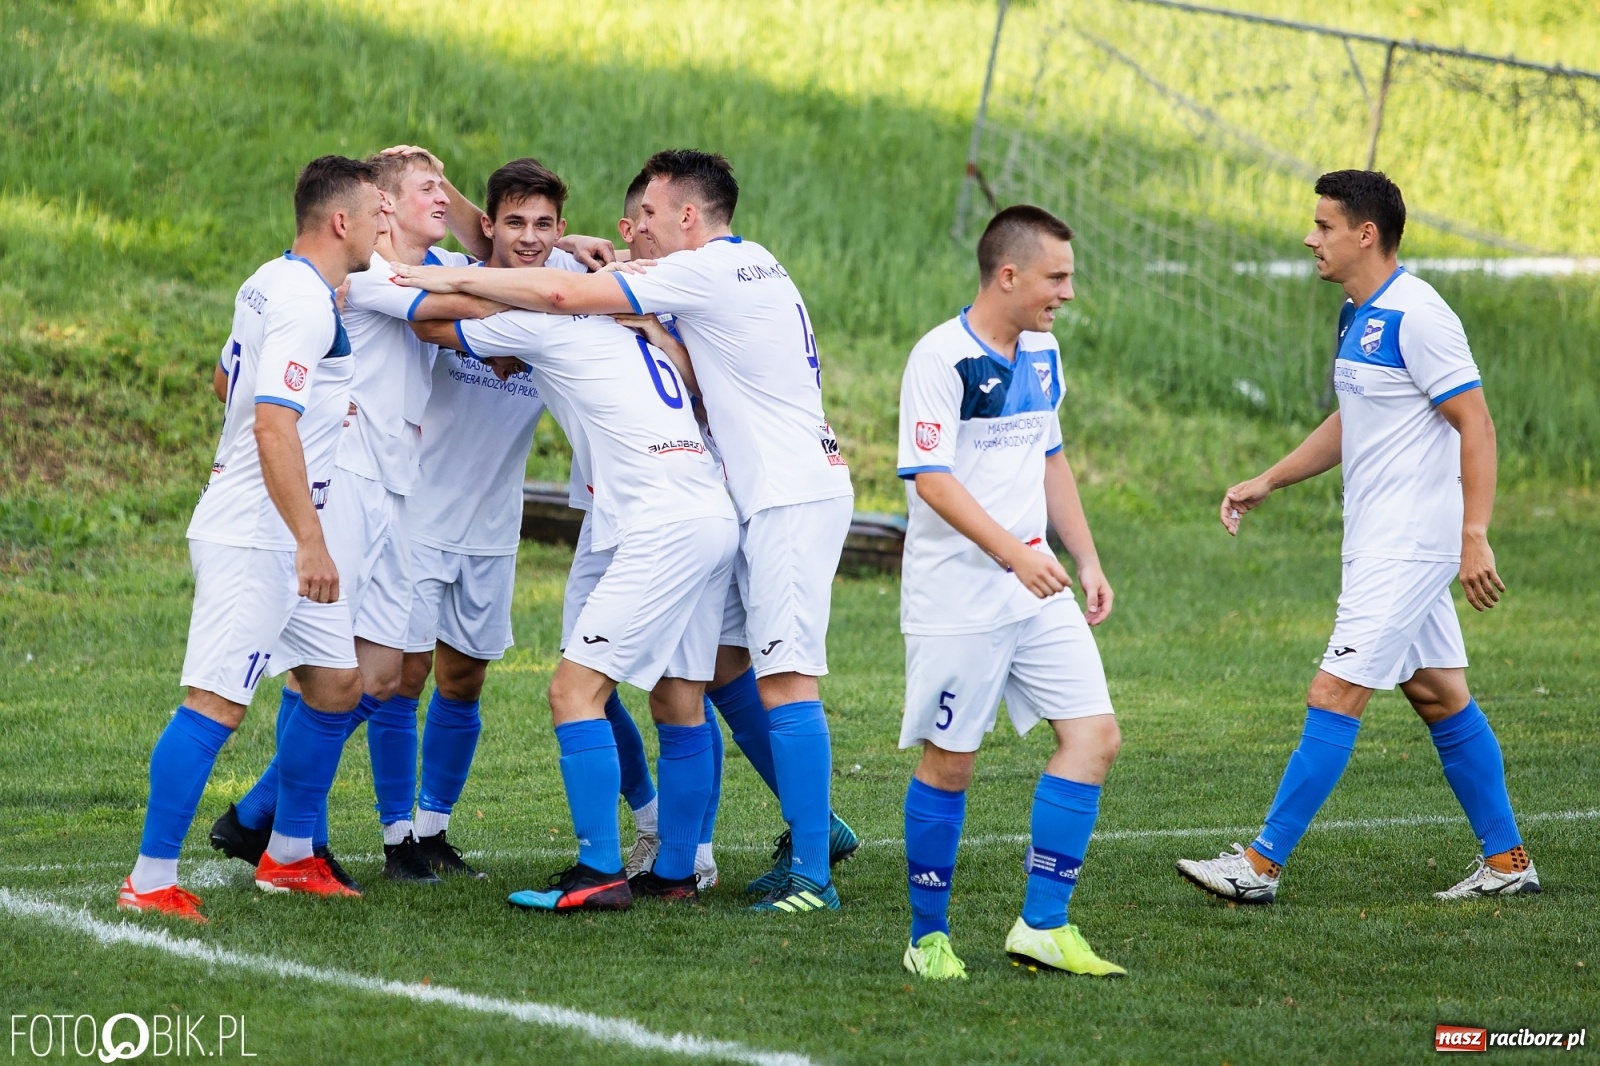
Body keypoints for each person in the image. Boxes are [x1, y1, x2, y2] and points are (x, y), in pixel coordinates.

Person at [391, 149, 857, 913]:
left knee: (775, 675)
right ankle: (708, 854)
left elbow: (556, 289)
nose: (631, 227)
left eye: (644, 216)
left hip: (779, 493)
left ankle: (807, 871)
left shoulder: (702, 270)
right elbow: (679, 358)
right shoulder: (738, 270)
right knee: (716, 672)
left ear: (686, 217)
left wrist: (429, 273)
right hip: (724, 497)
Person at [1176, 170, 1536, 904]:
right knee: (1438, 695)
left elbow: (1478, 423)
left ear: (1365, 234)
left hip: (1409, 544)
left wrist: (1476, 536)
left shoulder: (1418, 315)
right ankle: (1507, 863)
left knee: (1333, 689)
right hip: (1379, 540)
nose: (1310, 238)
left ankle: (1259, 864)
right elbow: (1356, 417)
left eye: (1324, 226)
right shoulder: (1355, 313)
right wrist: (1270, 479)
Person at [410, 185, 740, 910]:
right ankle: (679, 870)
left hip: (658, 524)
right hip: (709, 512)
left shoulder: (553, 322)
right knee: (681, 697)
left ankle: (600, 873)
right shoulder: (637, 316)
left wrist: (411, 274)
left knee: (573, 692)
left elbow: (435, 328)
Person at [210, 149, 505, 887]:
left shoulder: (424, 258)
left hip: (396, 488)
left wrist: (553, 260)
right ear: (380, 206)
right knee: (328, 667)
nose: (443, 199)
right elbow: (456, 299)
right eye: (422, 190)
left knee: (384, 675)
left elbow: (484, 245)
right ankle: (292, 837)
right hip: (347, 482)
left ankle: (260, 813)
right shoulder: (369, 273)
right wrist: (553, 295)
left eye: (445, 188)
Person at [119, 156, 382, 920]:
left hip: (286, 526)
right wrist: (310, 539)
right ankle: (148, 879)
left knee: (336, 688)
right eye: (373, 214)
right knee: (216, 703)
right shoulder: (303, 302)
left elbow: (224, 380)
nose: (381, 225)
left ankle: (291, 855)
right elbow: (272, 422)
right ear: (341, 222)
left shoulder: (270, 278)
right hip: (262, 537)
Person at [894, 205, 1126, 979]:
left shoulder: (1045, 352)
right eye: (1056, 278)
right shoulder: (942, 357)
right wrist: (1012, 556)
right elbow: (931, 480)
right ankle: (928, 937)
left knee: (1094, 737)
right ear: (1009, 275)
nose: (1065, 292)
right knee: (950, 763)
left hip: (1035, 587)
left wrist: (1084, 558)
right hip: (958, 595)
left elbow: (1050, 457)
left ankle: (1043, 925)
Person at [394, 157, 588, 878]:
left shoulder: (565, 289)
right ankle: (283, 817)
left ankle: (432, 828)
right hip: (417, 516)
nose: (529, 237)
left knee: (463, 681)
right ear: (489, 225)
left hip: (492, 526)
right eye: (514, 222)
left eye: (543, 225)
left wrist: (582, 252)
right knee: (393, 679)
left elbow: (602, 263)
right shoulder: (441, 271)